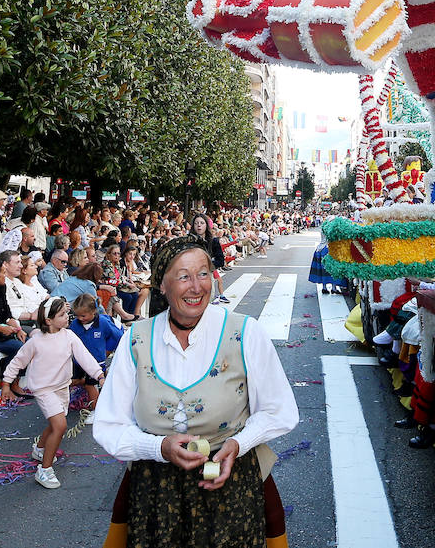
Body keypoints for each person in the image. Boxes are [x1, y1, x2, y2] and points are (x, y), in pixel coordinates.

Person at [94, 235, 298, 548]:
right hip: (156, 492)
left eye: (203, 273)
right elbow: (109, 424)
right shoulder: (136, 339)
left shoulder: (244, 333)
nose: (197, 286)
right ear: (162, 285)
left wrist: (238, 443)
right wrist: (159, 448)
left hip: (229, 485)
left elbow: (278, 409)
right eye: (184, 276)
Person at [0, 297, 104, 489]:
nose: (67, 317)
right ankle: (44, 470)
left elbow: (85, 357)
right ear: (48, 320)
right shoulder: (36, 341)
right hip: (43, 389)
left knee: (56, 423)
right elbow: (18, 361)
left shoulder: (69, 336)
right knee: (60, 425)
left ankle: (39, 448)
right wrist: (6, 383)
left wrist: (99, 374)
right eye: (62, 315)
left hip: (62, 387)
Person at [68, 292, 123, 410]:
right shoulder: (75, 324)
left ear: (93, 312)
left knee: (90, 385)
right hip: (79, 360)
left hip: (97, 361)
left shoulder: (103, 322)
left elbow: (118, 336)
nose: (80, 319)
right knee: (74, 380)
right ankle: (104, 380)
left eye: (83, 316)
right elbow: (69, 339)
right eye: (77, 315)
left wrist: (110, 350)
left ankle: (96, 411)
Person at [189, 214, 227, 305]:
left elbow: (220, 261)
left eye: (202, 223)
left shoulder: (213, 242)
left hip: (207, 275)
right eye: (196, 223)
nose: (199, 225)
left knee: (206, 302)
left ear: (206, 225)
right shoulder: (188, 241)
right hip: (191, 277)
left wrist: (208, 266)